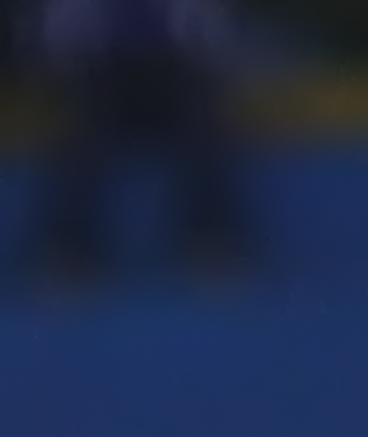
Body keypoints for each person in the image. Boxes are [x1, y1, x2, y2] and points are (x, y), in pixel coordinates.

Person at [33, 0, 251, 282]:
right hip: (101, 75)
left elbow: (213, 35)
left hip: (175, 74)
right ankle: (68, 250)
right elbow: (58, 38)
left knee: (203, 131)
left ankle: (213, 240)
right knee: (84, 140)